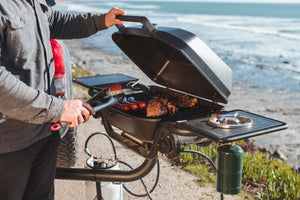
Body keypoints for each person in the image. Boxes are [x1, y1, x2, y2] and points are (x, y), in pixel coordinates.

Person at [0, 0, 125, 199]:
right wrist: (57, 109)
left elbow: (55, 21)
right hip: (9, 144)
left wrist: (100, 21)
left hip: (42, 132)